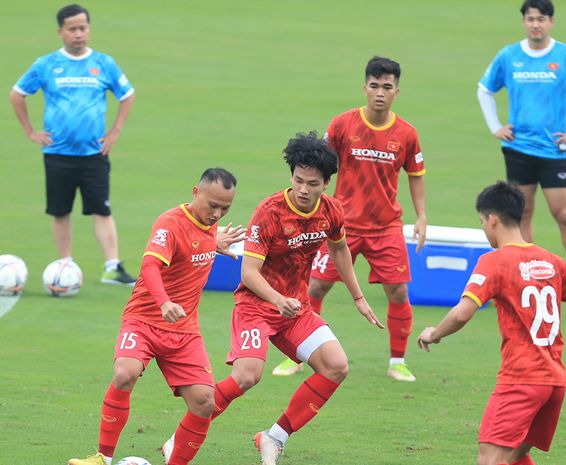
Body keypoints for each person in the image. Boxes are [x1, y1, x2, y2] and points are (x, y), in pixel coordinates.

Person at [162, 132, 383, 465]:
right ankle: (178, 440)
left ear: (326, 183)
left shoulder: (331, 211)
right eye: (298, 180)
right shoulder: (270, 212)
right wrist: (278, 299)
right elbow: (248, 273)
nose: (304, 189)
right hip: (256, 307)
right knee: (247, 376)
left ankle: (273, 437)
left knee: (336, 366)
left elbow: (339, 249)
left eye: (313, 183)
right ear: (291, 176)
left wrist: (359, 297)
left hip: (294, 309)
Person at [67, 168, 245, 465]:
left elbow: (193, 245)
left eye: (225, 208)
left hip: (184, 330)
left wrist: (214, 243)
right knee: (126, 372)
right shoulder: (169, 222)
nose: (217, 214)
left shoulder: (211, 226)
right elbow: (150, 266)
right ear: (195, 192)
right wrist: (163, 303)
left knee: (204, 403)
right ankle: (102, 458)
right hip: (145, 319)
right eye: (212, 205)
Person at [417, 181, 566, 465]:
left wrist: (434, 334)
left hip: (522, 379)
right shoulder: (553, 261)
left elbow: (462, 313)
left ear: (492, 219)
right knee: (516, 455)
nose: (483, 227)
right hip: (554, 383)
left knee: (489, 460)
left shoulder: (495, 261)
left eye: (481, 221)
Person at [272, 56, 427, 382]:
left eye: (387, 87)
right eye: (374, 86)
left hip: (386, 227)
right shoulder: (343, 125)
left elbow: (416, 174)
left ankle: (397, 361)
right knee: (315, 286)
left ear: (397, 91)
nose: (380, 93)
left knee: (398, 292)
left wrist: (422, 216)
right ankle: (298, 356)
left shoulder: (407, 134)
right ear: (365, 88)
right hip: (341, 226)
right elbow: (318, 167)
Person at [476, 0, 566, 294]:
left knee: (564, 214)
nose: (535, 24)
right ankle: (525, 272)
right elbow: (484, 89)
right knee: (523, 213)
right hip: (519, 149)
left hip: (553, 151)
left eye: (541, 19)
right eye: (530, 19)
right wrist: (495, 126)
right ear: (524, 22)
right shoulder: (509, 56)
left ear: (551, 22)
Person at [10, 4, 137, 285]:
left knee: (102, 210)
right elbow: (17, 94)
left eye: (83, 28)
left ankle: (112, 267)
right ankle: (64, 267)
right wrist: (31, 132)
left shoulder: (104, 63)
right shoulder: (45, 65)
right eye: (72, 29)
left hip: (94, 153)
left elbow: (127, 94)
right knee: (60, 211)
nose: (78, 34)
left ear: (89, 29)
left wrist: (115, 131)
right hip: (57, 154)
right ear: (60, 32)